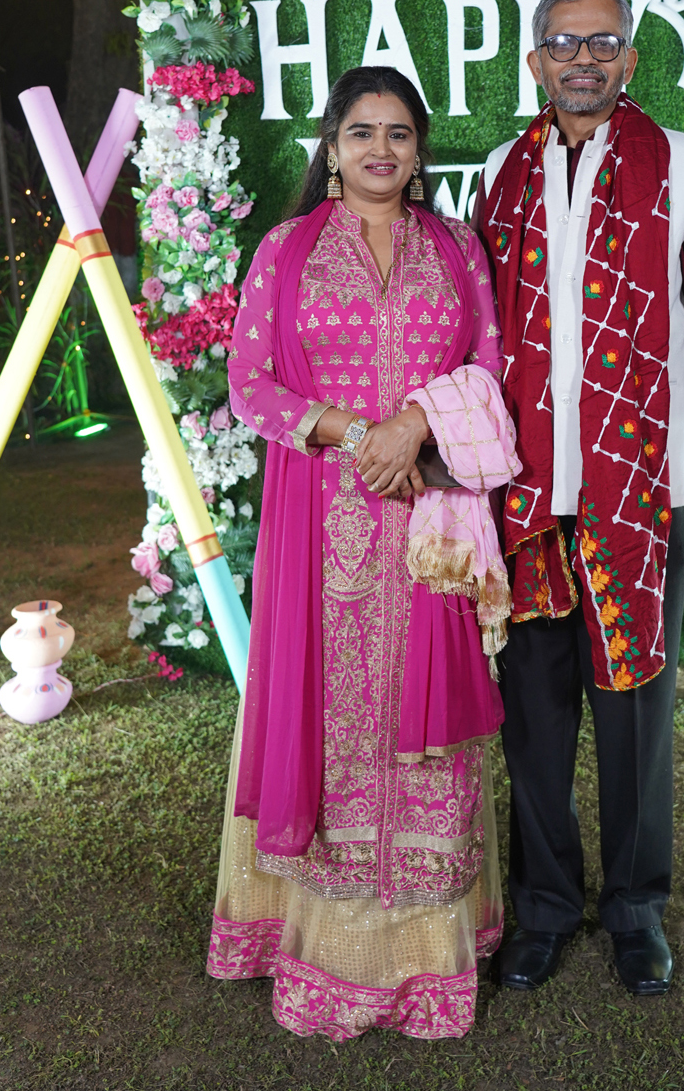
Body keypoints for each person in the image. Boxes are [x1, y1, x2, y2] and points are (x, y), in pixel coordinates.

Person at [474, 0, 684, 997]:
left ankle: (637, 909)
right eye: (564, 43)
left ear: (629, 59)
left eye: (602, 43)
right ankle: (546, 906)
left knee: (637, 708)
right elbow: (479, 330)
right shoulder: (499, 174)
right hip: (526, 491)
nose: (583, 60)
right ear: (536, 61)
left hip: (647, 482)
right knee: (533, 712)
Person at [208, 65, 512, 1041]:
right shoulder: (287, 248)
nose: (381, 149)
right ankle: (326, 945)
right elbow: (250, 386)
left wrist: (415, 424)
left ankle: (428, 954)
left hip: (434, 518)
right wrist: (357, 434)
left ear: (419, 152)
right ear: (332, 149)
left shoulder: (458, 248)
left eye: (399, 134)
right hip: (320, 519)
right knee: (328, 711)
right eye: (361, 133)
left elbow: (490, 365)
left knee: (428, 719)